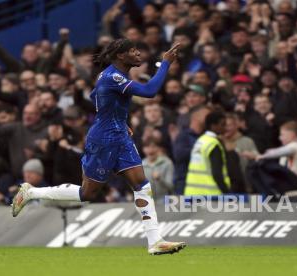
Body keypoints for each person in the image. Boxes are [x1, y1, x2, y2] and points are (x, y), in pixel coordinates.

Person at [11, 39, 186, 255]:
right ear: (121, 56)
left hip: (120, 137)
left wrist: (119, 120)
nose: (138, 53)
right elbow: (150, 91)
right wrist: (166, 63)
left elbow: (96, 97)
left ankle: (155, 240)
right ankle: (31, 192)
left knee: (141, 184)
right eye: (133, 50)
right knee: (88, 193)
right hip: (104, 140)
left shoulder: (111, 75)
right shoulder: (113, 76)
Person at [184, 111, 231, 195]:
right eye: (222, 125)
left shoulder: (201, 141)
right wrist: (227, 193)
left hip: (192, 193)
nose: (226, 128)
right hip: (210, 195)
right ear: (213, 126)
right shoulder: (213, 144)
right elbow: (217, 173)